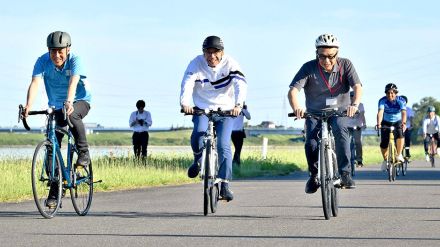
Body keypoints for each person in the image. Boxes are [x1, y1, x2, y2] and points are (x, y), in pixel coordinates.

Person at [24, 31, 92, 208]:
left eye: (60, 51)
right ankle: (55, 190)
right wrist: (28, 106)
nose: (57, 55)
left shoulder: (75, 61)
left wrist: (69, 101)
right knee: (51, 147)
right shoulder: (42, 61)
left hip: (79, 101)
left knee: (72, 114)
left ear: (68, 49)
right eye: (53, 51)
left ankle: (83, 152)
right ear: (48, 50)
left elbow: (73, 82)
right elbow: (35, 83)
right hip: (55, 106)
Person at [287, 33, 362, 193]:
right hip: (314, 113)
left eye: (330, 56)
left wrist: (354, 104)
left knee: (341, 131)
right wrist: (297, 108)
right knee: (311, 143)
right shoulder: (308, 67)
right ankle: (314, 175)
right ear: (316, 54)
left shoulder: (346, 65)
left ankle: (345, 173)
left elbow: (357, 87)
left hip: (340, 112)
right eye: (322, 56)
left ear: (337, 53)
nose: (326, 61)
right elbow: (293, 91)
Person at [180, 35, 247, 201]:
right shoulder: (196, 63)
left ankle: (224, 184)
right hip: (202, 108)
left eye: (215, 52)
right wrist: (184, 103)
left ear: (222, 52)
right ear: (203, 53)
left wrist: (238, 105)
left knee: (223, 144)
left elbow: (240, 84)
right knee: (198, 134)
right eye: (208, 52)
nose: (212, 56)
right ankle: (197, 160)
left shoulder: (231, 63)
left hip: (226, 110)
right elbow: (187, 84)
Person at [376, 83, 407, 171]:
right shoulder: (382, 101)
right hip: (386, 121)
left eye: (392, 93)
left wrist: (404, 123)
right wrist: (378, 124)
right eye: (388, 93)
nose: (390, 95)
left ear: (396, 93)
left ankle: (399, 154)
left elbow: (404, 112)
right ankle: (385, 160)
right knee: (384, 143)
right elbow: (380, 112)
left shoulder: (401, 100)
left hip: (397, 121)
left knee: (400, 135)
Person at [347, 91, 366, 168]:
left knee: (358, 142)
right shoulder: (346, 105)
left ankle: (359, 160)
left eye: (353, 96)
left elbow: (362, 115)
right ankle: (346, 159)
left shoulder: (360, 105)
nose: (352, 98)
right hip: (347, 126)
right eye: (350, 96)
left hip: (356, 126)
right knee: (345, 142)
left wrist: (363, 124)